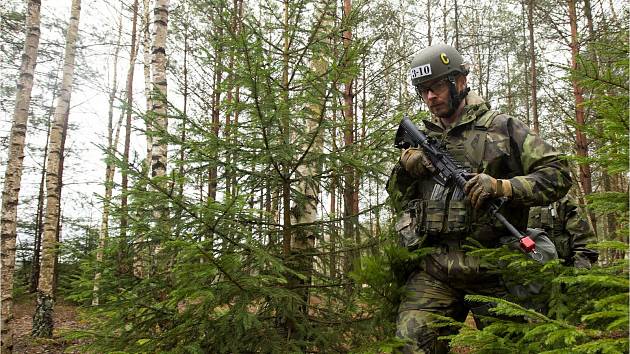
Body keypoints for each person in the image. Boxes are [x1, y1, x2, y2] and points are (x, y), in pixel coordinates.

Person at [386, 43, 572, 353]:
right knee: (410, 346)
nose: (430, 97)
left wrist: (503, 187)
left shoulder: (503, 129)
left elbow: (559, 174)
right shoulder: (424, 139)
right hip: (436, 268)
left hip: (494, 270)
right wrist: (406, 167)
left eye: (436, 87)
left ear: (459, 81)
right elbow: (398, 199)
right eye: (423, 91)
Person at [528, 194, 598, 269]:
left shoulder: (562, 201)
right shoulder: (517, 201)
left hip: (563, 270)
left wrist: (579, 273)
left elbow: (585, 243)